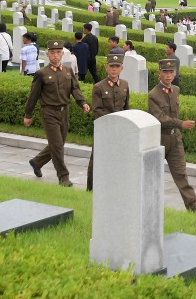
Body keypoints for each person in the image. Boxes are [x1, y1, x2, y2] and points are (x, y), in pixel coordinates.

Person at [24, 39, 92, 187]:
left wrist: (83, 103)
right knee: (57, 146)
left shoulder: (68, 71)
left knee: (58, 144)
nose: (55, 55)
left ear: (62, 54)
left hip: (64, 112)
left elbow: (75, 89)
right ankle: (64, 177)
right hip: (49, 112)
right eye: (52, 53)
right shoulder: (42, 73)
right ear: (47, 54)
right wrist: (28, 115)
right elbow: (33, 96)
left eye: (58, 52)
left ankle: (37, 162)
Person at [147, 58, 196, 212]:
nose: (168, 75)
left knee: (181, 173)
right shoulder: (153, 94)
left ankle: (193, 206)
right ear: (159, 73)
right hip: (159, 138)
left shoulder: (176, 90)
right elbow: (159, 118)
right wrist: (180, 123)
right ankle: (150, 205)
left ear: (175, 73)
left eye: (171, 72)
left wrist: (178, 127)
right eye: (165, 72)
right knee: (152, 174)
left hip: (175, 138)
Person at [86, 53, 130, 191]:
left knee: (118, 158)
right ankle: (91, 188)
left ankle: (113, 187)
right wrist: (113, 121)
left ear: (121, 68)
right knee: (97, 159)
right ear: (106, 68)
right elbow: (97, 110)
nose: (114, 69)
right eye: (111, 66)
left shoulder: (124, 85)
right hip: (103, 129)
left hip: (120, 130)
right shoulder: (99, 87)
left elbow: (126, 108)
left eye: (117, 66)